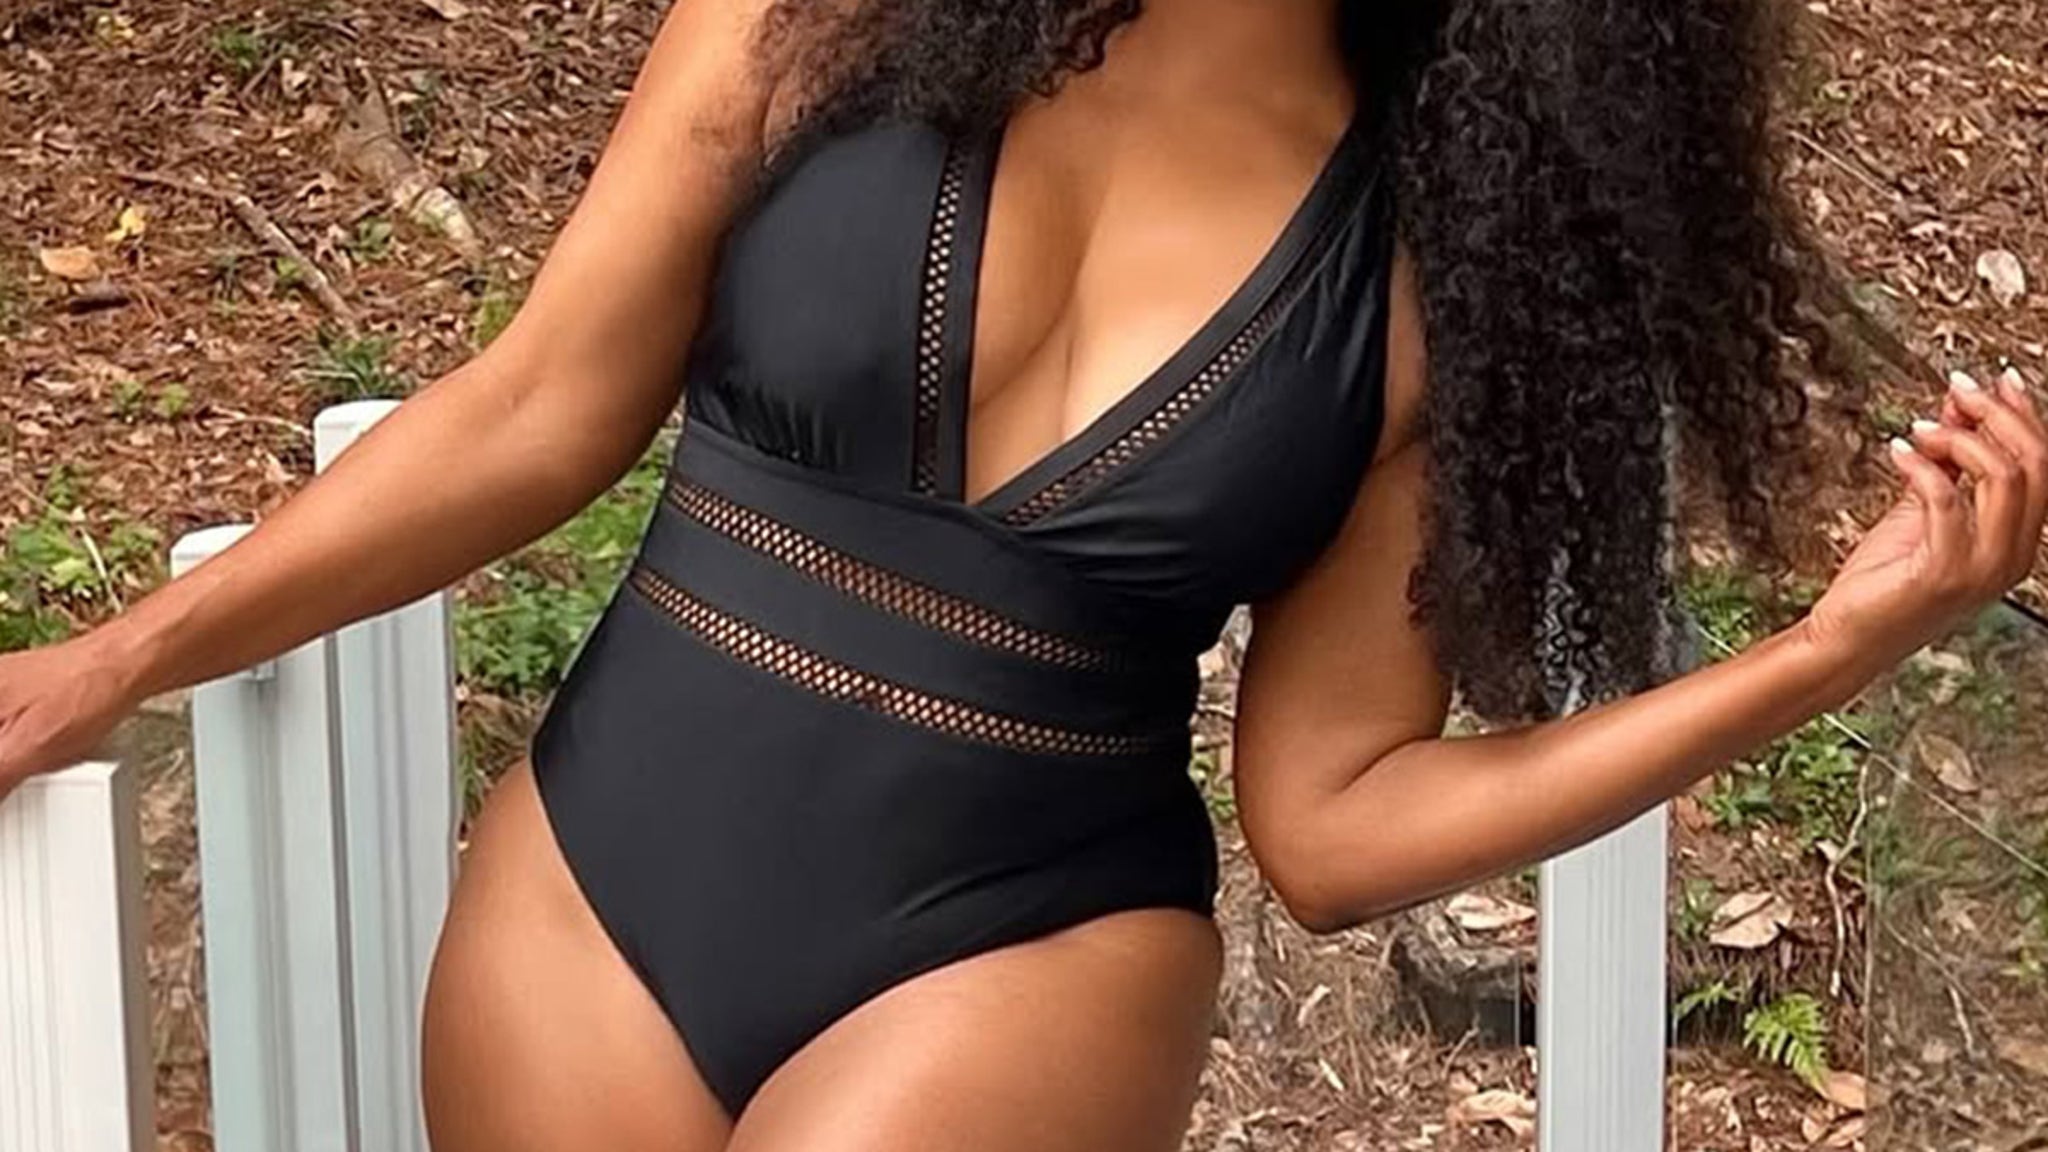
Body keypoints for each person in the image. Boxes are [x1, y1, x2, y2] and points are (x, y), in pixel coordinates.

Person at [1, 0, 2041, 1148]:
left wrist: (1822, 655)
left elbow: (1331, 826)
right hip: (598, 888)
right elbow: (537, 409)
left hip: (1013, 950)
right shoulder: (824, 22)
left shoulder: (1433, 272)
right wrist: (118, 657)